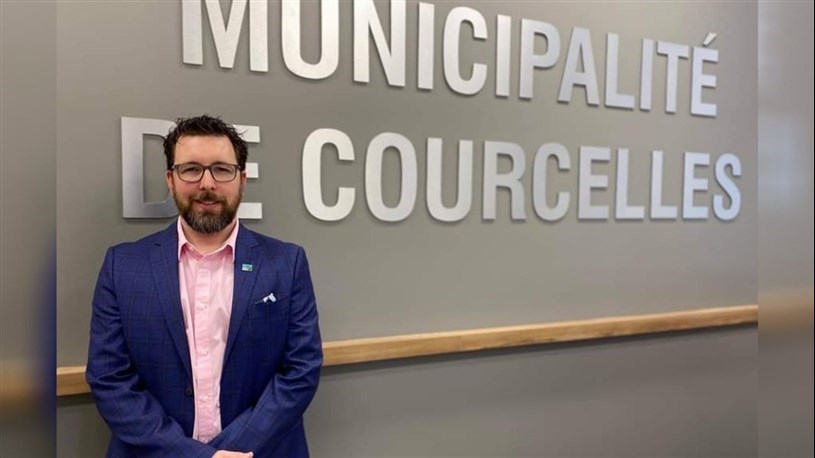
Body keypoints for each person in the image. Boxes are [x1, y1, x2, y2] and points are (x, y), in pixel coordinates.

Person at [86, 115, 323, 457]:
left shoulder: (287, 263)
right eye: (191, 169)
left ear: (242, 179)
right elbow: (109, 378)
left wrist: (232, 452)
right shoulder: (122, 266)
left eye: (222, 170)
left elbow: (301, 370)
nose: (207, 183)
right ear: (171, 179)